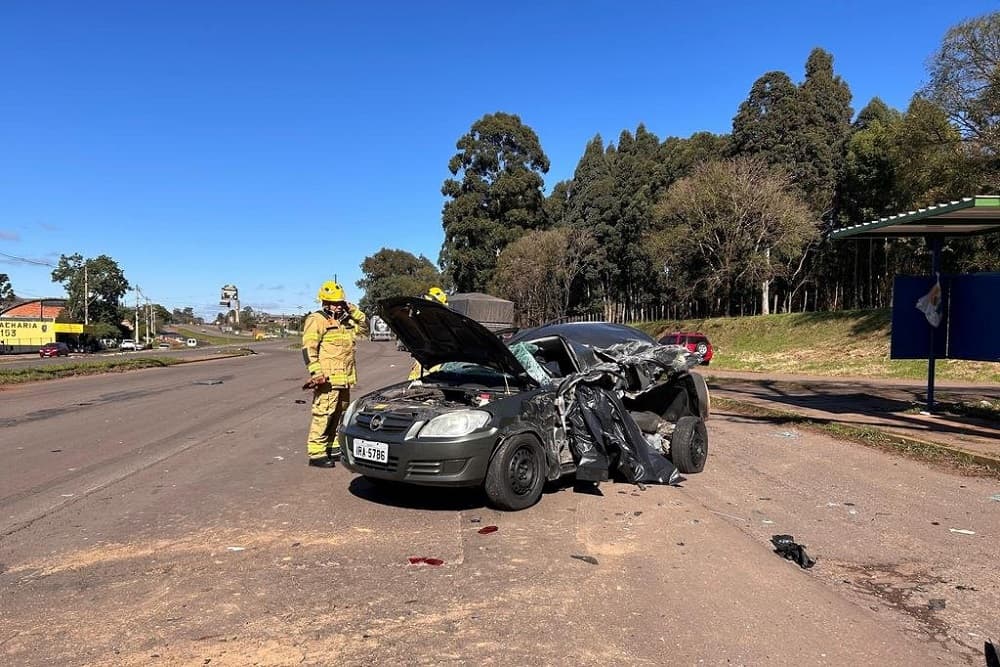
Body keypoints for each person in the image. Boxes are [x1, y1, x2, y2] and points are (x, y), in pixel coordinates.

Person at [301, 280, 366, 468]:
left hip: (344, 379)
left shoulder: (345, 322)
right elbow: (308, 348)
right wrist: (316, 372)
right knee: (324, 414)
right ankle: (316, 453)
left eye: (340, 303)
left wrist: (353, 310)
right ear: (324, 302)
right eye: (334, 303)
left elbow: (364, 328)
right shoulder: (316, 319)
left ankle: (332, 446)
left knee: (340, 414)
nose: (337, 306)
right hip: (327, 379)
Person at [407, 286, 448, 381]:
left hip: (436, 382)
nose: (420, 314)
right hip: (418, 382)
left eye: (426, 310)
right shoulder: (425, 331)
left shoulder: (446, 334)